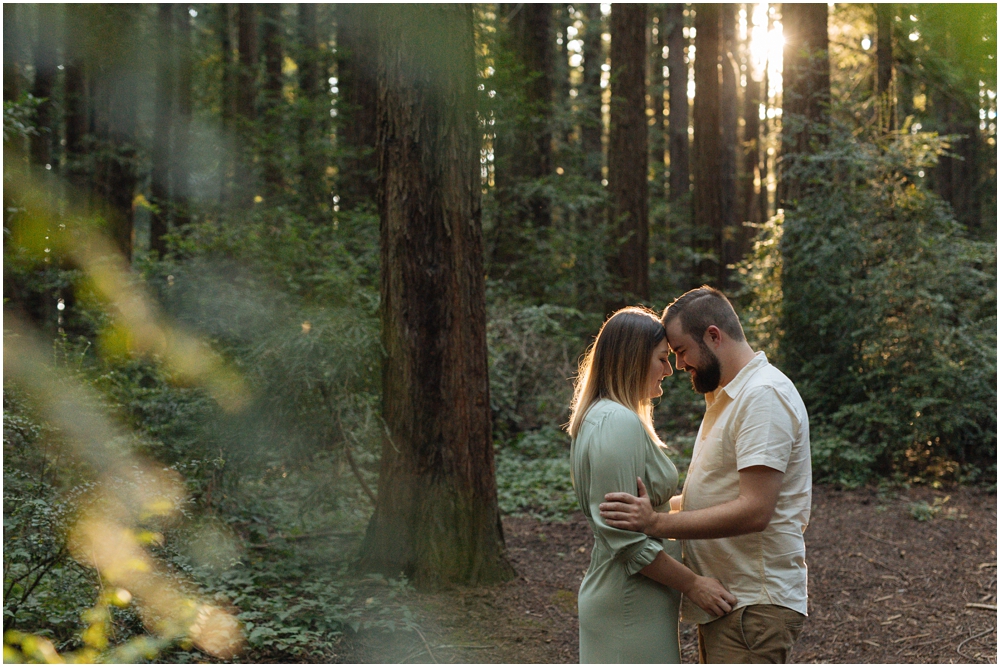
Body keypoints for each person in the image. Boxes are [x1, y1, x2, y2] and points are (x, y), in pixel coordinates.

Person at [599, 287, 812, 664]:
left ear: (713, 336)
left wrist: (657, 523)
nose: (678, 365)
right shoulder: (728, 397)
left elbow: (755, 510)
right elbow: (721, 495)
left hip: (753, 602)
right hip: (731, 601)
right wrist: (656, 508)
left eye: (681, 351)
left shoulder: (763, 396)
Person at [568, 306, 737, 664]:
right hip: (628, 604)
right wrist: (694, 584)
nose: (670, 369)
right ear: (632, 359)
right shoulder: (615, 421)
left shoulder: (610, 417)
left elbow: (646, 512)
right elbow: (627, 542)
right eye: (662, 358)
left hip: (638, 601)